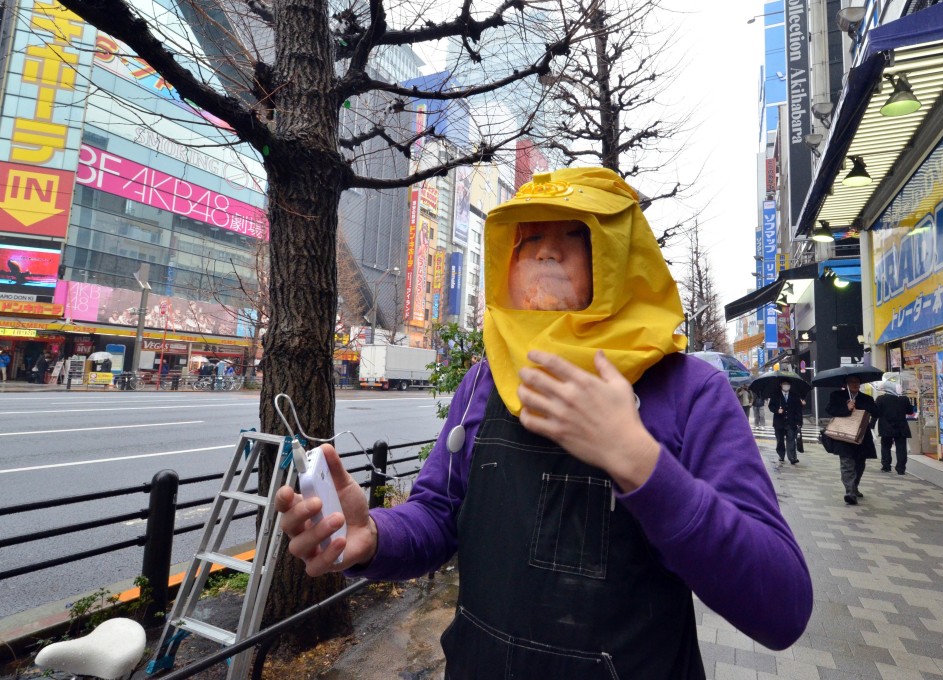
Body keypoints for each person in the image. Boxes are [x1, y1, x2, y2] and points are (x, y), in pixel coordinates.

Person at [274, 168, 812, 678]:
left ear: (620, 258)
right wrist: (373, 537)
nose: (547, 249)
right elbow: (438, 516)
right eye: (529, 239)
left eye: (575, 234)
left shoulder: (691, 391)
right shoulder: (484, 382)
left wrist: (642, 465)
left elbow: (781, 608)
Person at [825, 376, 879, 505]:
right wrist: (846, 408)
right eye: (851, 382)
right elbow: (829, 410)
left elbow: (876, 412)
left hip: (861, 437)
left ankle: (854, 486)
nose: (855, 385)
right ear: (846, 384)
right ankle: (850, 492)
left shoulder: (867, 398)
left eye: (857, 382)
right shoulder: (837, 396)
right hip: (844, 436)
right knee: (847, 463)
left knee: (860, 464)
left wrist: (861, 408)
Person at [874, 382, 914, 475]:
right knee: (901, 448)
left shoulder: (881, 399)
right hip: (901, 427)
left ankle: (886, 466)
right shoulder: (904, 399)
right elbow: (910, 411)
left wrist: (871, 425)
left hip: (886, 427)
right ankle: (901, 469)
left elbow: (876, 413)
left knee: (885, 446)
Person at [768, 380, 802, 464]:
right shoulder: (776, 395)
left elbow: (799, 410)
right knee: (780, 440)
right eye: (784, 384)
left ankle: (792, 457)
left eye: (788, 384)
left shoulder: (794, 396)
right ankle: (781, 455)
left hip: (791, 422)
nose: (786, 386)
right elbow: (771, 406)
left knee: (791, 439)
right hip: (779, 422)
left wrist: (799, 422)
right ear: (781, 385)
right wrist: (777, 410)